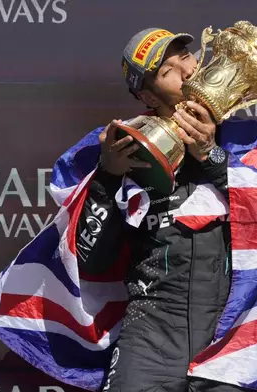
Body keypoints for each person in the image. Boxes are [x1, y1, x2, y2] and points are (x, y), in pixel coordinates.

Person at [75, 28, 246, 392]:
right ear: (147, 95)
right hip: (150, 336)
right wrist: (107, 178)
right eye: (168, 70)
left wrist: (212, 158)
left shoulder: (248, 144)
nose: (187, 71)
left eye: (186, 56)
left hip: (226, 339)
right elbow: (91, 260)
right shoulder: (124, 151)